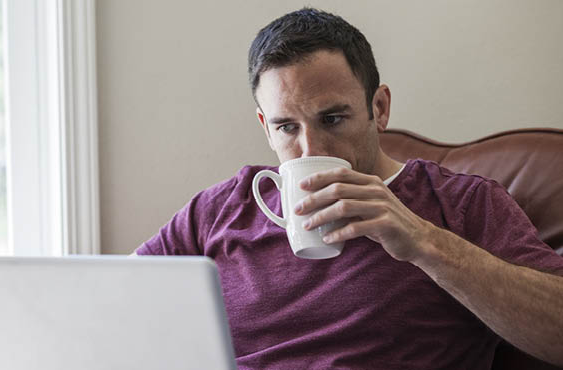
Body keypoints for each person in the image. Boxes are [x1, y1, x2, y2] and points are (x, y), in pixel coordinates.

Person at [134, 8, 563, 369]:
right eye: (287, 127)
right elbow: (115, 305)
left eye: (332, 119)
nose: (310, 149)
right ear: (266, 128)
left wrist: (423, 243)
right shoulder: (221, 209)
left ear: (378, 108)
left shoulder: (462, 204)